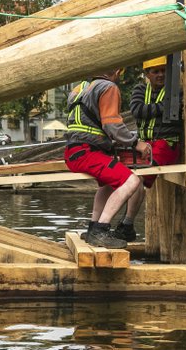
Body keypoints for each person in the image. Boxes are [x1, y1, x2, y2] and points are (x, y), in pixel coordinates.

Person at [64, 67, 150, 249]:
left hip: (74, 151)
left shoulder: (78, 89)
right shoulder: (108, 87)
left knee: (110, 185)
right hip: (88, 152)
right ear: (118, 71)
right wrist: (136, 144)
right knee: (132, 181)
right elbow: (112, 125)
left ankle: (93, 227)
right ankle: (100, 230)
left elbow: (88, 123)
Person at [113, 56, 185, 242]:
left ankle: (127, 223)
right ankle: (122, 224)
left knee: (137, 178)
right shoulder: (140, 89)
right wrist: (163, 107)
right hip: (144, 144)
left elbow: (153, 109)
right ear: (147, 74)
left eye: (163, 70)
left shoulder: (176, 89)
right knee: (127, 176)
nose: (160, 75)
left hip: (165, 144)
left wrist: (156, 108)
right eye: (156, 71)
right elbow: (137, 111)